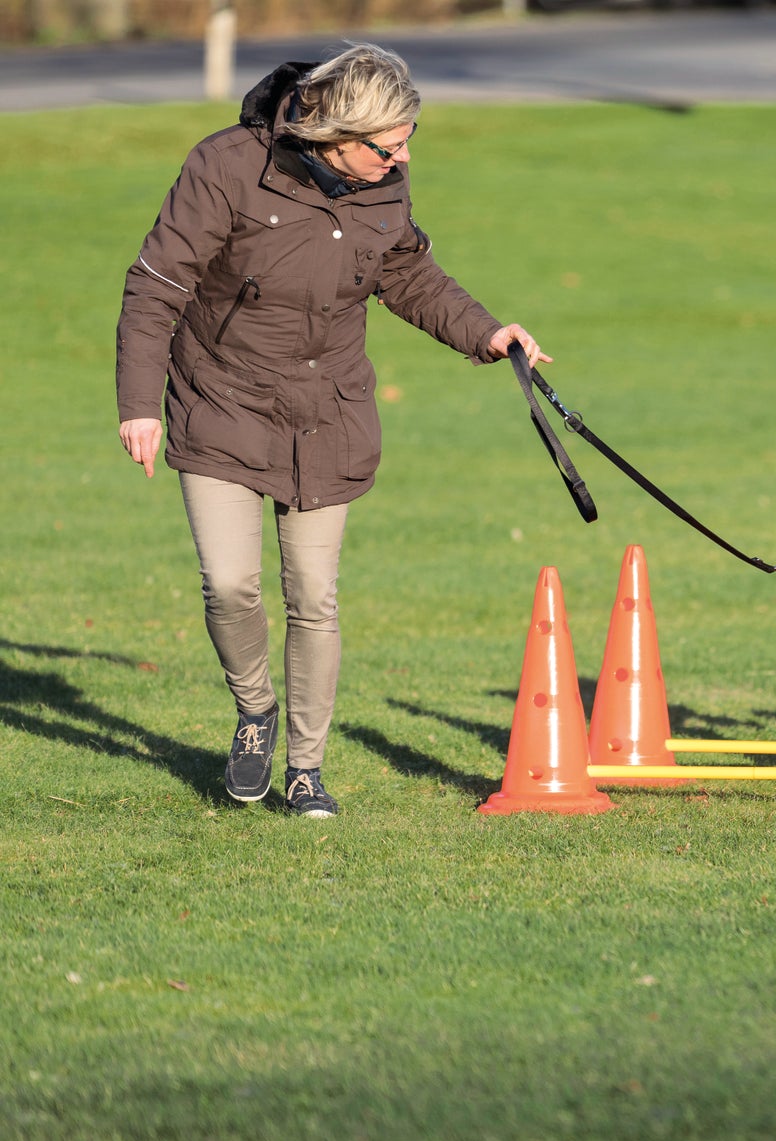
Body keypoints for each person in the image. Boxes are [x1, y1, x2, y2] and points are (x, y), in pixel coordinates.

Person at [116, 43, 550, 818]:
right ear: (336, 135)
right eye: (390, 144)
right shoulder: (226, 167)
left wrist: (488, 333)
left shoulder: (381, 183)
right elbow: (157, 283)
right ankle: (256, 713)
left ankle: (307, 768)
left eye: (408, 139)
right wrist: (139, 402)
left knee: (314, 595)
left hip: (328, 414)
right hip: (222, 402)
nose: (403, 156)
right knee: (230, 584)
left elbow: (409, 272)